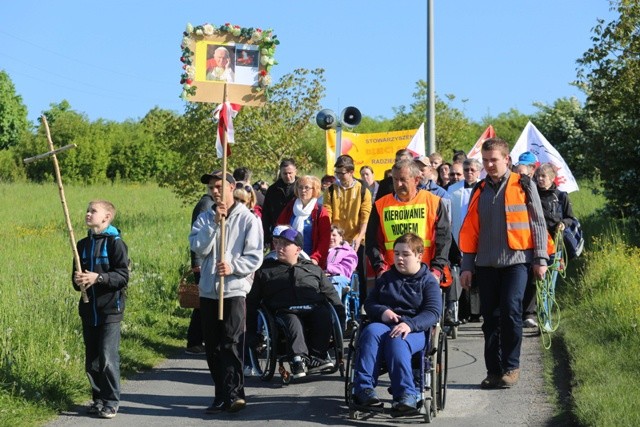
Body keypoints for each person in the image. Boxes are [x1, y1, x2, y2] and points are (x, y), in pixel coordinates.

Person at [459, 138, 549, 389]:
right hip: (486, 264)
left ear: (506, 160)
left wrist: (540, 258)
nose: (489, 165)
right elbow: (470, 230)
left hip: (517, 262)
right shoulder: (479, 190)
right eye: (485, 160)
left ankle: (511, 366)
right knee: (491, 319)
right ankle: (494, 371)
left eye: (494, 160)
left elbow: (538, 223)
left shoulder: (524, 184)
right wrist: (467, 265)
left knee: (510, 311)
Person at [189, 170, 264, 413]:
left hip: (233, 290)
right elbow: (198, 246)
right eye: (211, 187)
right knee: (212, 345)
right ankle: (220, 394)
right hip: (210, 290)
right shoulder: (205, 217)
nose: (215, 191)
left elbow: (254, 256)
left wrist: (233, 267)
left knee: (231, 342)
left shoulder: (248, 219)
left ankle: (234, 393)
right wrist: (213, 223)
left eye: (219, 186)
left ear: (232, 187)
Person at [352, 233, 442, 411]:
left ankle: (405, 394)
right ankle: (363, 389)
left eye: (405, 254)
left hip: (414, 329)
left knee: (397, 340)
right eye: (397, 253)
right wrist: (382, 311)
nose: (400, 258)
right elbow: (369, 303)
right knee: (369, 333)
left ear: (418, 255)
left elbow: (433, 312)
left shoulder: (428, 281)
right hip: (384, 324)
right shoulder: (386, 278)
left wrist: (410, 324)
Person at [247, 226, 344, 379]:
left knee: (324, 314)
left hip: (313, 307)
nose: (279, 247)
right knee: (292, 321)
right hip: (284, 310)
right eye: (278, 243)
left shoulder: (313, 269)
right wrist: (252, 334)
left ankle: (317, 357)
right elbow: (252, 302)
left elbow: (332, 295)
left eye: (285, 244)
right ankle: (298, 359)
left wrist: (341, 320)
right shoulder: (265, 271)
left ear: (298, 249)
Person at [73, 200, 130, 419]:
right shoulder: (81, 245)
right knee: (93, 358)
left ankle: (111, 401)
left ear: (106, 217)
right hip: (89, 309)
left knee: (107, 356)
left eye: (93, 211)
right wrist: (79, 280)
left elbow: (123, 276)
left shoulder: (115, 243)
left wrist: (99, 277)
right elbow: (74, 280)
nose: (88, 214)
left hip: (110, 309)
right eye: (87, 210)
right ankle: (97, 399)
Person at [366, 159, 451, 282]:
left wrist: (437, 270)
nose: (398, 184)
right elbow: (372, 241)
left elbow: (444, 239)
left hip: (426, 275)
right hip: (392, 276)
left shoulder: (433, 202)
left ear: (416, 180)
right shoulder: (380, 205)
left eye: (403, 180)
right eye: (395, 179)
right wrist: (380, 268)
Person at [522, 163, 580, 327]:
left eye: (543, 176)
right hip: (535, 244)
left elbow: (570, 218)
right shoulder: (532, 194)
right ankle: (530, 314)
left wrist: (563, 224)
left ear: (552, 178)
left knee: (549, 284)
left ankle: (545, 319)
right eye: (538, 176)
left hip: (555, 246)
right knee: (534, 281)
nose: (540, 179)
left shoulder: (561, 196)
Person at [323, 154, 373, 302]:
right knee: (334, 271)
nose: (338, 176)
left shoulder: (363, 189)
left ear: (351, 172)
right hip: (336, 238)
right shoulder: (331, 190)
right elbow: (327, 213)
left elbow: (365, 216)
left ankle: (361, 307)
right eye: (336, 173)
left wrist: (359, 237)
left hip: (357, 238)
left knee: (360, 274)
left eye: (341, 173)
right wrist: (331, 236)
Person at [447, 158, 483, 322]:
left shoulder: (484, 187)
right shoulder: (453, 190)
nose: (469, 173)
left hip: (480, 237)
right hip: (458, 236)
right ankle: (462, 312)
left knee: (478, 275)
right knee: (461, 274)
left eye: (472, 170)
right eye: (466, 170)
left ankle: (477, 312)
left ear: (478, 171)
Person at [185, 185, 216, 355]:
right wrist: (196, 262)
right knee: (202, 304)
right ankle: (194, 341)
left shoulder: (209, 203)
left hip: (205, 263)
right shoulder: (205, 205)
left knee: (202, 303)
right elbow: (197, 236)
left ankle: (196, 340)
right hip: (202, 264)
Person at [277, 175, 331, 268]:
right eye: (300, 187)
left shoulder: (320, 211)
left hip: (311, 260)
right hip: (289, 259)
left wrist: (315, 258)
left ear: (314, 190)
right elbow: (279, 229)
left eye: (307, 188)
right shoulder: (290, 207)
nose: (303, 190)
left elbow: (325, 239)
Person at [262, 159, 298, 246]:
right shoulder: (272, 190)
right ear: (280, 173)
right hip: (278, 231)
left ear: (295, 171)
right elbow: (266, 214)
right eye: (285, 174)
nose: (288, 176)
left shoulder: (302, 187)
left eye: (290, 173)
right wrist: (266, 235)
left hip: (297, 229)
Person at [326, 225, 359, 296]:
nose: (331, 237)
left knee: (333, 281)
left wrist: (329, 270)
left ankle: (336, 306)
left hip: (340, 278)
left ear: (341, 237)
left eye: (334, 235)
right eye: (328, 235)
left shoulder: (348, 251)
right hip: (323, 277)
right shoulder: (322, 251)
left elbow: (347, 269)